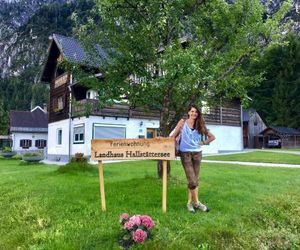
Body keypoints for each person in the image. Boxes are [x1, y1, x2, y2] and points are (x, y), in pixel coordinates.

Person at [171, 104, 215, 213]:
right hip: (185, 154)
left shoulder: (199, 124)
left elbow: (212, 137)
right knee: (192, 181)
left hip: (197, 154)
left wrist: (203, 142)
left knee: (194, 181)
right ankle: (197, 203)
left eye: (196, 112)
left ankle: (189, 203)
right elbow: (173, 136)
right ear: (188, 112)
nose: (194, 113)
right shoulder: (182, 123)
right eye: (192, 111)